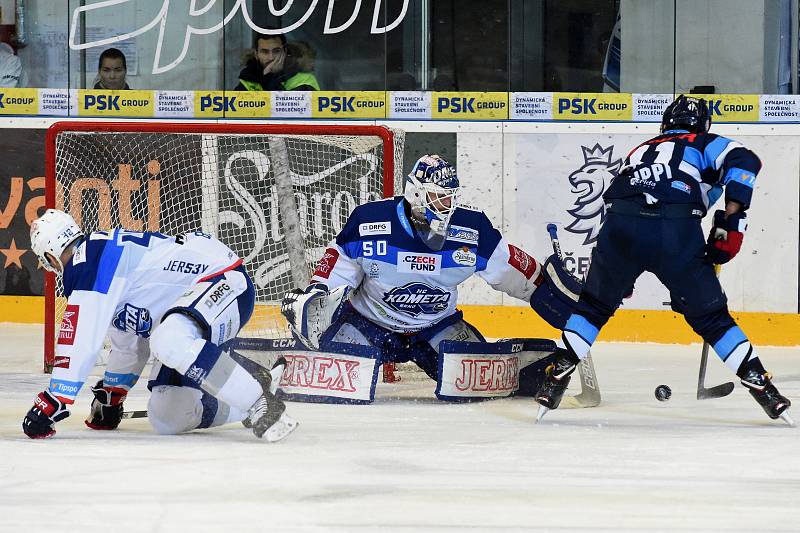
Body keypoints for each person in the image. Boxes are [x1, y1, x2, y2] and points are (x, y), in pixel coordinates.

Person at [534, 95, 793, 425]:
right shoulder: (704, 142)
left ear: (665, 125)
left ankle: (557, 374)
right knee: (712, 318)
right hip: (672, 230)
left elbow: (626, 201)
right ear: (703, 126)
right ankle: (760, 384)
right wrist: (731, 219)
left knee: (593, 308)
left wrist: (616, 272)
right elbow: (745, 161)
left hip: (620, 226)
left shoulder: (640, 150)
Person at [22, 209, 297, 441]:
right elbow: (128, 344)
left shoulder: (89, 261)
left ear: (50, 256)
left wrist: (54, 400)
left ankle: (259, 404)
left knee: (168, 340)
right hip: (190, 311)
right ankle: (255, 384)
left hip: (224, 281)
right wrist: (112, 395)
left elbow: (80, 339)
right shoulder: (101, 265)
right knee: (168, 417)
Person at [282, 155, 547, 383]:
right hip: (369, 324)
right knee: (341, 380)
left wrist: (550, 293)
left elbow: (512, 271)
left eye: (449, 197)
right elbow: (337, 268)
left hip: (435, 326)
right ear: (416, 193)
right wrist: (318, 293)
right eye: (438, 196)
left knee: (481, 383)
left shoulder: (471, 227)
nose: (447, 204)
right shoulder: (368, 220)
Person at [233, 33, 320, 91]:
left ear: (285, 52)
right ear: (256, 54)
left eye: (276, 51)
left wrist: (271, 78)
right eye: (264, 52)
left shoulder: (304, 80)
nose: (271, 57)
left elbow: (286, 113)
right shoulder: (248, 80)